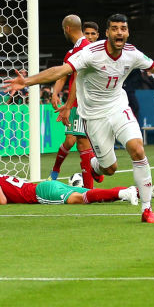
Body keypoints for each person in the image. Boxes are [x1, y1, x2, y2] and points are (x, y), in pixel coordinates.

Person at [3, 14, 154, 223]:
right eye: (115, 29)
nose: (119, 32)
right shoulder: (91, 53)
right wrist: (27, 82)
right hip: (94, 116)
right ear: (108, 33)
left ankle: (147, 209)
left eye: (123, 29)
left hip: (119, 108)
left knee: (137, 149)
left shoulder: (132, 53)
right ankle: (95, 166)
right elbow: (60, 71)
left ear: (127, 33)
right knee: (109, 168)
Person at [48, 18, 100, 185]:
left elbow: (80, 78)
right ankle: (57, 171)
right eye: (87, 33)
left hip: (89, 103)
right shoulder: (72, 52)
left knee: (87, 143)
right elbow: (63, 75)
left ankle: (94, 175)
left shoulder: (93, 51)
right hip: (77, 103)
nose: (90, 36)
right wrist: (55, 93)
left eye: (93, 34)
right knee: (75, 141)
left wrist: (68, 106)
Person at [0, 173, 154, 207]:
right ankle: (149, 191)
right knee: (92, 193)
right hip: (45, 185)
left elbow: (1, 201)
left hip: (41, 193)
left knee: (80, 199)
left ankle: (123, 193)